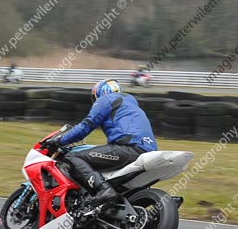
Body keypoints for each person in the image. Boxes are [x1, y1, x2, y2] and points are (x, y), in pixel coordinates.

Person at [43, 79, 157, 208]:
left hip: (129, 148)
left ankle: (103, 190)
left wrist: (59, 140)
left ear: (99, 93)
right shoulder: (130, 102)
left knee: (73, 157)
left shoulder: (105, 100)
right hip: (147, 150)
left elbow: (85, 127)